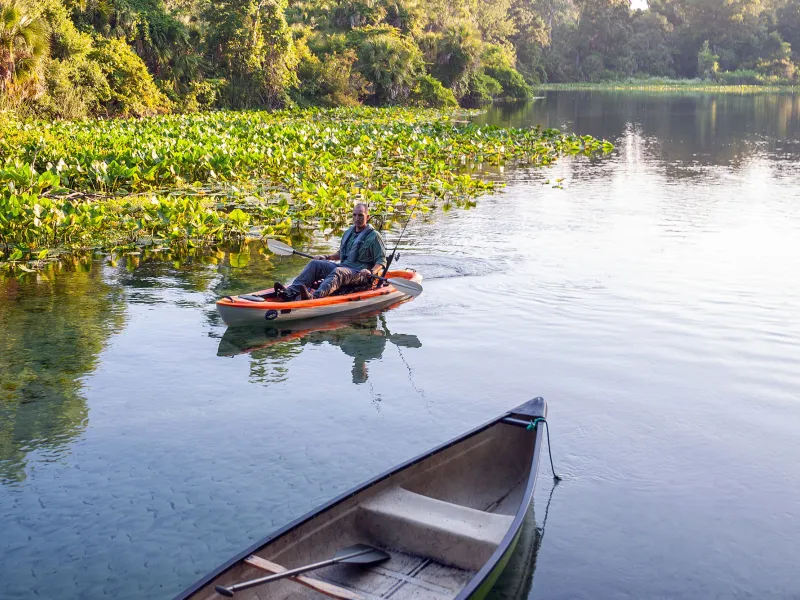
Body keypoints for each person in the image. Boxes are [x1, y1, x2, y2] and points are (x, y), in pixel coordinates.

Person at [275, 203, 387, 300]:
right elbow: (341, 253)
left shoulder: (374, 236)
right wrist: (326, 257)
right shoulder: (349, 232)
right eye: (354, 215)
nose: (357, 218)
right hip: (344, 267)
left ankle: (314, 297)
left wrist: (371, 272)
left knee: (339, 271)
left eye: (360, 215)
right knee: (315, 264)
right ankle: (290, 292)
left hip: (360, 274)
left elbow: (381, 261)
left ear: (367, 217)